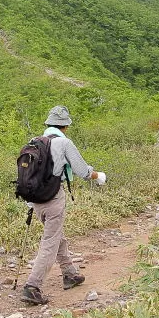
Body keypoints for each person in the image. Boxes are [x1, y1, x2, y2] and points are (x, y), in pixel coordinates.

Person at [22, 105, 106, 305]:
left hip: (36, 200)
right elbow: (82, 171)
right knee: (50, 241)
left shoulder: (34, 142)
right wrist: (99, 176)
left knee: (56, 235)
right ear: (65, 126)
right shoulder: (64, 143)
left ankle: (70, 274)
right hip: (53, 197)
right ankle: (32, 286)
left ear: (48, 124)